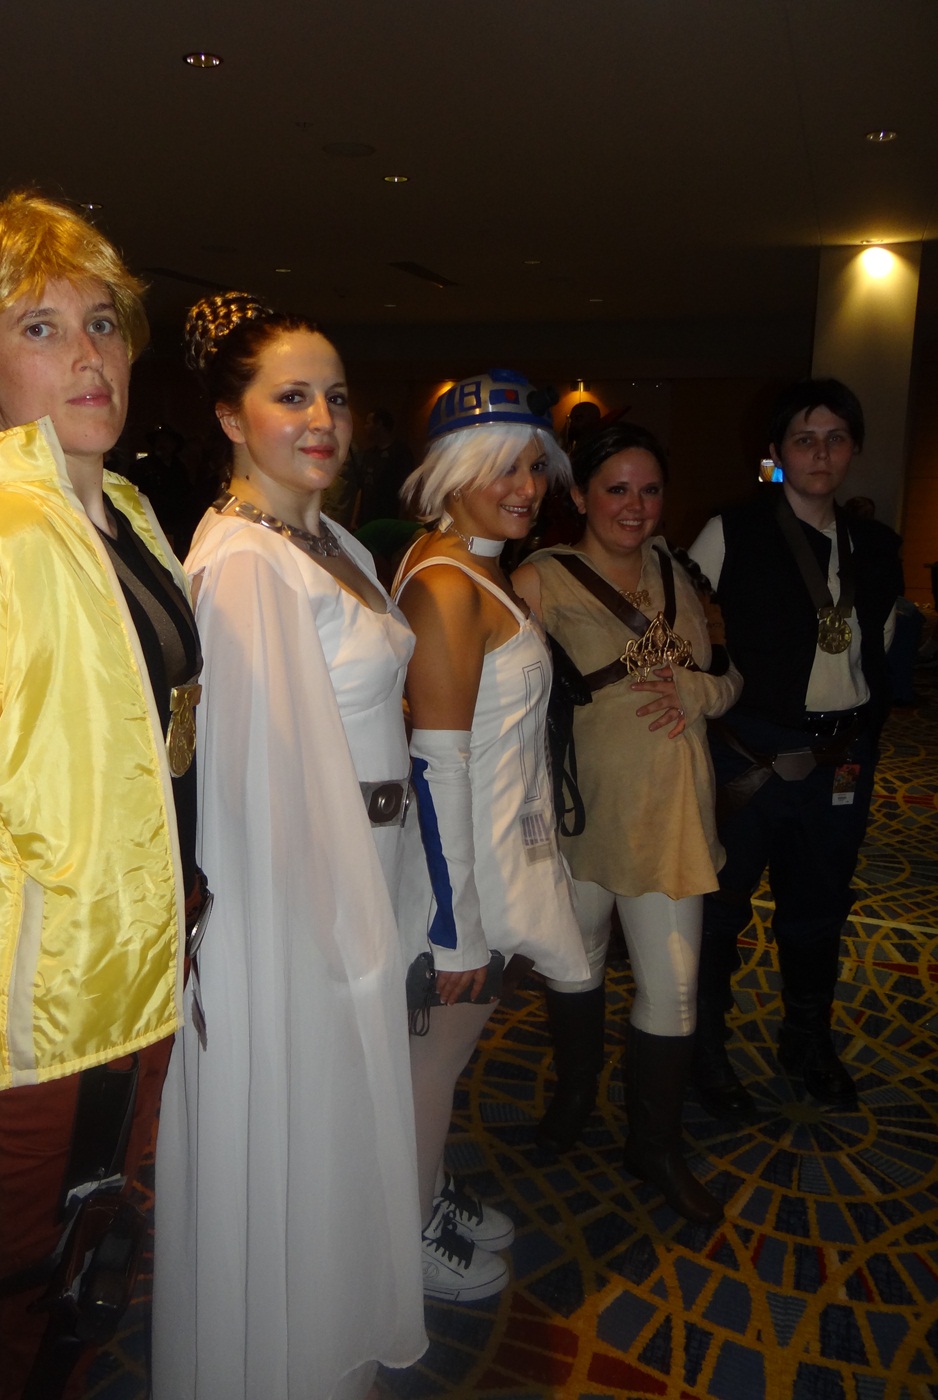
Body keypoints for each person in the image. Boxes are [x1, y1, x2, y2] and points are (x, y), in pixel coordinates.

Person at [0, 193, 203, 1397]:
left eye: (103, 322)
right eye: (41, 327)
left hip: (132, 991)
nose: (89, 355)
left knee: (86, 1293)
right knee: (9, 1324)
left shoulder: (123, 516)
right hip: (11, 1032)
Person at [152, 293, 426, 1400]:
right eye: (293, 396)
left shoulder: (329, 540)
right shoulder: (247, 563)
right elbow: (260, 792)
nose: (324, 420)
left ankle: (329, 1354)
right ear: (231, 417)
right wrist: (351, 936)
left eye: (338, 397)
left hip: (363, 870)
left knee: (342, 1144)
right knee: (309, 1139)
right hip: (300, 908)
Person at [393, 371, 592, 1301]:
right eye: (501, 468)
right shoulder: (447, 585)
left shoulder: (474, 565)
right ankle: (404, 1240)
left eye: (535, 467)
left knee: (444, 1063)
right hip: (456, 878)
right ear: (452, 472)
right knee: (431, 1068)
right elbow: (437, 767)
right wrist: (456, 930)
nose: (526, 488)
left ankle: (427, 1189)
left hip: (490, 859)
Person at [513, 423, 741, 1226]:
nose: (635, 506)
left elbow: (729, 676)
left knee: (673, 989)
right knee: (574, 964)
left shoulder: (680, 572)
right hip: (581, 815)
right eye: (616, 489)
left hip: (673, 815)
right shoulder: (540, 578)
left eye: (649, 490)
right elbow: (507, 704)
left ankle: (655, 1145)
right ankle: (576, 1096)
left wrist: (698, 693)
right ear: (579, 495)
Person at [689, 379, 902, 1114]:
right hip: (749, 755)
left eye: (835, 438)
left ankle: (807, 1039)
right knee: (721, 907)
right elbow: (683, 627)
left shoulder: (877, 546)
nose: (821, 453)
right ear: (777, 452)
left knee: (819, 906)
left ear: (854, 449)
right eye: (804, 440)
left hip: (839, 759)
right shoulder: (733, 530)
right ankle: (705, 1048)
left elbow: (878, 650)